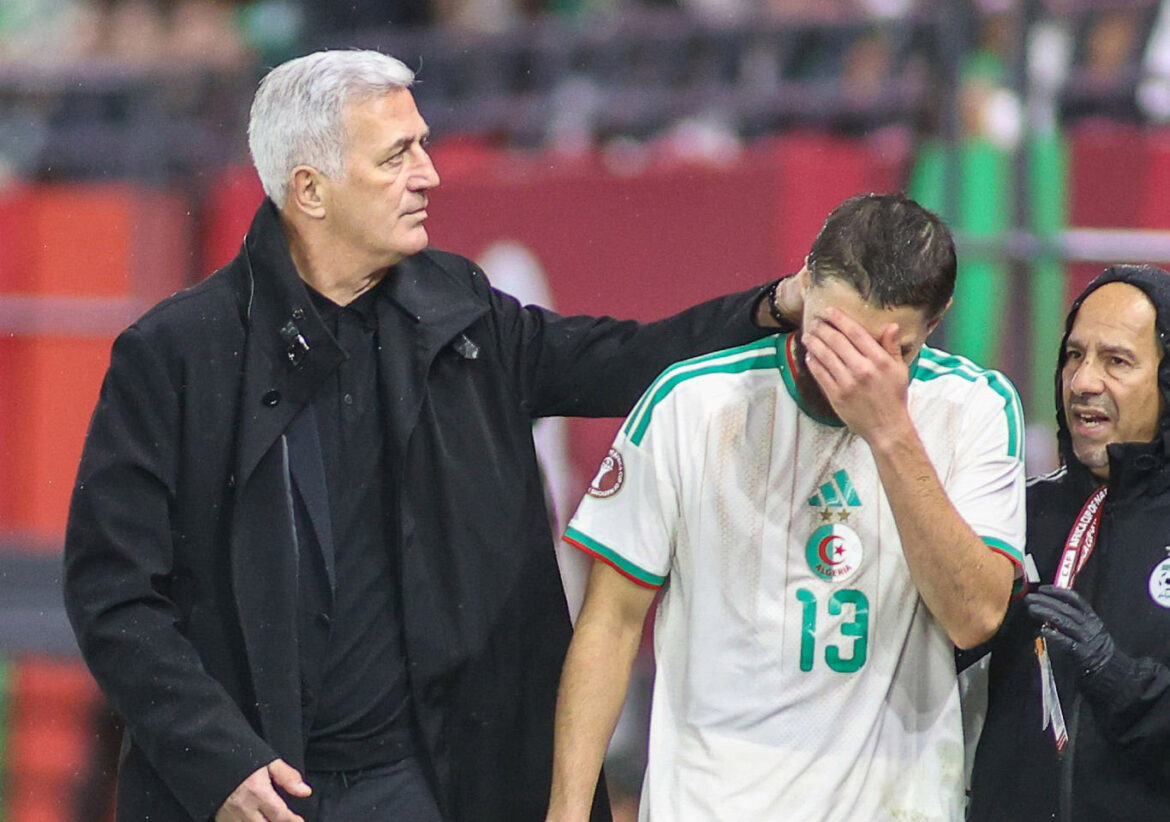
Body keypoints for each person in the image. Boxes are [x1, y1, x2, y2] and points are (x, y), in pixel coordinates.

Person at [61, 50, 791, 822]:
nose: (429, 175)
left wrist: (772, 309)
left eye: (423, 145)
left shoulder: (459, 308)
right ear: (310, 190)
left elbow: (621, 360)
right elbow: (114, 596)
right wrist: (220, 763)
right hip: (256, 795)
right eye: (396, 155)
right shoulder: (174, 354)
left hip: (425, 791)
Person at [546, 193, 1026, 822]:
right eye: (834, 338)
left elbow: (976, 617)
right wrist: (567, 812)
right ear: (805, 284)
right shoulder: (692, 402)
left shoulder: (975, 409)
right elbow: (609, 624)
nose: (849, 374)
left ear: (936, 323)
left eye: (889, 353)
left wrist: (890, 434)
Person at [967, 264, 1170, 821]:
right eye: (1074, 355)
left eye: (1116, 361)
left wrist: (1119, 679)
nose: (1083, 382)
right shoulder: (1012, 515)